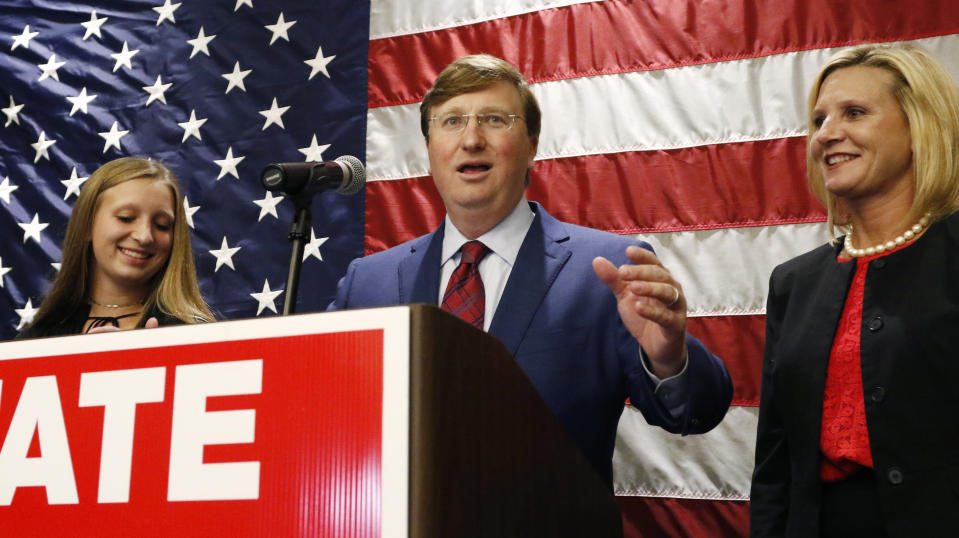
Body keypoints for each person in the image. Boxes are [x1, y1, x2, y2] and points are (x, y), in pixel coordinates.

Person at [329, 54, 732, 486]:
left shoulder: (608, 272)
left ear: (532, 146)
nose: (471, 139)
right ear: (429, 150)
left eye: (495, 119)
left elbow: (694, 413)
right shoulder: (367, 283)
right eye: (451, 122)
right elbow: (326, 415)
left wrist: (668, 358)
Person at [750, 43, 959, 537]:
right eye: (819, 120)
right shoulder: (793, 283)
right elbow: (775, 462)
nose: (828, 134)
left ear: (918, 126)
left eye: (855, 113)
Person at [18, 157, 213, 338]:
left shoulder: (194, 336)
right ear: (87, 225)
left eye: (162, 225)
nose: (144, 236)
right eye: (126, 218)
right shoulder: (37, 338)